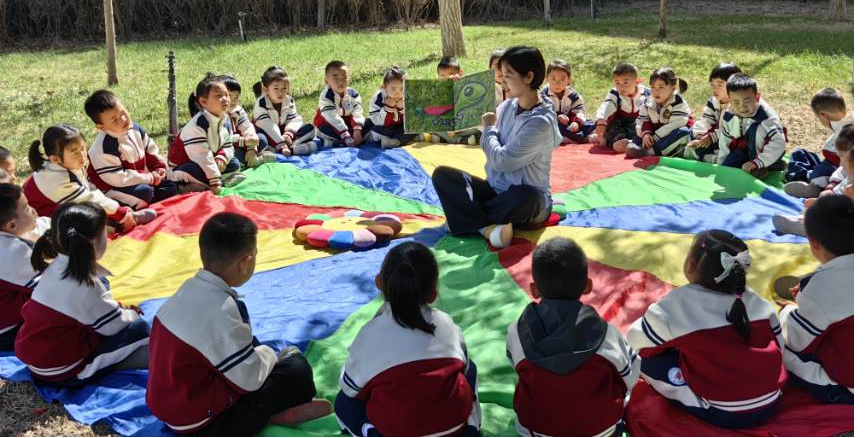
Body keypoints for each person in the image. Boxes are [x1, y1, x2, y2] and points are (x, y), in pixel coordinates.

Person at [147, 212, 332, 435]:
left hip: (174, 409)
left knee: (255, 349)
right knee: (296, 370)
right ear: (245, 262)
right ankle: (270, 415)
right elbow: (249, 380)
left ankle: (266, 411)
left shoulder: (187, 291)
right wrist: (269, 354)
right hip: (204, 425)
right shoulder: (221, 309)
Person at [628, 230, 786, 428]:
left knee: (642, 361)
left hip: (723, 412)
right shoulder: (757, 301)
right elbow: (780, 347)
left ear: (690, 265)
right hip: (772, 400)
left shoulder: (676, 305)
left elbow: (636, 343)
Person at [335, 242, 481, 437]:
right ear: (433, 293)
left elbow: (350, 388)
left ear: (379, 282)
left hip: (397, 430)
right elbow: (465, 368)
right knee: (470, 368)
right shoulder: (447, 324)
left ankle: (371, 432)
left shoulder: (369, 335)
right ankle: (471, 425)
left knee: (344, 402)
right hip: (454, 429)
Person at [506, 237, 639, 437]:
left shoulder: (516, 331)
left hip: (536, 429)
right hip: (599, 430)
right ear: (588, 286)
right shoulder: (606, 334)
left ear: (534, 290)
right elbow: (630, 375)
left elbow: (515, 365)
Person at [432, 46, 561, 249]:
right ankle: (485, 228)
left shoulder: (541, 122)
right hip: (496, 191)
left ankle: (464, 218)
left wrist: (490, 129)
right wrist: (456, 91)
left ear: (528, 77)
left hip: (527, 202)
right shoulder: (509, 105)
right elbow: (473, 120)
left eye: (508, 75)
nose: (502, 81)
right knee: (443, 176)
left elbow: (502, 161)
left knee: (526, 197)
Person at [15, 203, 150, 385]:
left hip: (38, 356)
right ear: (93, 242)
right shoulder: (86, 284)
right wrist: (132, 313)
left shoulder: (55, 267)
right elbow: (113, 326)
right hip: (62, 370)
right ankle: (97, 367)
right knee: (140, 330)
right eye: (105, 233)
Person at [777, 195, 853, 404]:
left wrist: (788, 311)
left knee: (778, 346)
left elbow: (796, 341)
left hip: (847, 385)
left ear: (814, 243)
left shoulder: (823, 286)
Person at [23, 124, 156, 232]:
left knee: (100, 207)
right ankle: (119, 224)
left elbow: (88, 188)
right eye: (74, 152)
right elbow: (88, 199)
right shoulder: (57, 180)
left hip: (61, 207)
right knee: (86, 221)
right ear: (55, 159)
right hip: (40, 222)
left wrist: (115, 208)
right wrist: (121, 213)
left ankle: (118, 221)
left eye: (82, 148)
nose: (82, 154)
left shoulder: (70, 164)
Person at [84, 90, 178, 210]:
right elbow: (119, 179)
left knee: (170, 186)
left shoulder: (136, 129)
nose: (123, 119)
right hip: (112, 188)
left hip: (140, 179)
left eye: (123, 113)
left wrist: (158, 168)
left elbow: (150, 150)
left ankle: (149, 202)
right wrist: (149, 178)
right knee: (145, 192)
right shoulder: (103, 148)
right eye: (115, 120)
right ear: (101, 127)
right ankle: (127, 209)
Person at [169, 75, 241, 194]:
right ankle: (182, 186)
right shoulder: (197, 125)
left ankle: (205, 185)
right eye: (219, 96)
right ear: (203, 102)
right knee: (193, 170)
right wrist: (215, 180)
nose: (225, 99)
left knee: (234, 164)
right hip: (187, 166)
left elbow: (228, 145)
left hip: (210, 163)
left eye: (226, 95)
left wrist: (221, 158)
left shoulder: (225, 120)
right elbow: (202, 156)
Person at [784, 88, 854, 198]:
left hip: (834, 169)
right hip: (837, 168)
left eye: (818, 118)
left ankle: (809, 185)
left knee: (804, 164)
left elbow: (841, 164)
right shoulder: (849, 120)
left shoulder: (844, 133)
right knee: (801, 153)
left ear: (823, 115)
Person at [717, 74, 787, 179]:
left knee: (756, 129)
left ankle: (771, 164)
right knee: (726, 169)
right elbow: (725, 139)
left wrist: (757, 162)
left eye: (747, 101)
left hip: (766, 151)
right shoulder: (729, 114)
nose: (742, 107)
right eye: (736, 102)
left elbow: (779, 142)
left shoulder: (767, 117)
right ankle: (750, 163)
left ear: (757, 97)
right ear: (730, 100)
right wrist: (721, 163)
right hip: (745, 148)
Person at [0, 183, 40, 350]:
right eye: (27, 207)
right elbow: (54, 284)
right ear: (11, 225)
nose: (33, 210)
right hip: (8, 331)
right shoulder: (11, 250)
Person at [252, 66, 319, 157]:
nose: (280, 92)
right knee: (261, 140)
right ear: (266, 89)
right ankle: (286, 149)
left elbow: (293, 119)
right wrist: (281, 144)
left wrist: (289, 134)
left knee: (310, 129)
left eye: (284, 88)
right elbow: (269, 127)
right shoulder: (261, 104)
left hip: (283, 132)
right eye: (276, 88)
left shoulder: (289, 100)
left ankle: (290, 149)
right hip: (267, 133)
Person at [626, 67, 692, 158]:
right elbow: (642, 119)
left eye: (661, 87)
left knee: (683, 132)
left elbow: (674, 126)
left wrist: (654, 138)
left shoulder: (679, 103)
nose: (656, 91)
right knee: (639, 135)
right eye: (653, 87)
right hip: (654, 134)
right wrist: (646, 134)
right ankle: (637, 145)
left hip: (671, 136)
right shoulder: (648, 102)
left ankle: (650, 152)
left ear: (673, 88)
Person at [684, 62, 742, 163]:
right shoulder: (713, 102)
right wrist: (700, 137)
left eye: (719, 85)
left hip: (733, 140)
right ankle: (708, 157)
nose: (714, 89)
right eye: (712, 84)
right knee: (690, 147)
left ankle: (713, 159)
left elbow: (733, 130)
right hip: (715, 139)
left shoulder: (738, 105)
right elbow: (706, 121)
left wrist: (712, 137)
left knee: (731, 158)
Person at [589, 63, 652, 153]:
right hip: (619, 124)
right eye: (617, 82)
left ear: (637, 81)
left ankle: (632, 141)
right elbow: (606, 107)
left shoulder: (647, 94)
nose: (621, 86)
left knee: (643, 126)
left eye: (625, 82)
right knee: (613, 125)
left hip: (636, 123)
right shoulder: (615, 94)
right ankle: (614, 141)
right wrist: (601, 121)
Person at [541, 59, 596, 145]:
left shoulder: (573, 95)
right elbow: (542, 112)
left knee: (591, 123)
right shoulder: (543, 95)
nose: (558, 83)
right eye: (553, 79)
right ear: (547, 79)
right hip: (553, 123)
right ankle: (581, 138)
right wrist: (557, 117)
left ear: (569, 80)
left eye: (562, 79)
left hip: (569, 123)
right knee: (552, 127)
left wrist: (576, 123)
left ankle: (575, 137)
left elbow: (579, 111)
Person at [314, 61, 366, 147]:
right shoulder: (326, 97)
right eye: (335, 78)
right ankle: (335, 142)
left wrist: (357, 129)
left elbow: (357, 112)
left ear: (349, 79)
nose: (341, 82)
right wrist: (346, 135)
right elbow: (332, 118)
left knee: (368, 123)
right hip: (330, 125)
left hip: (348, 125)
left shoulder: (353, 94)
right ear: (326, 81)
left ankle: (353, 138)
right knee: (324, 130)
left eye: (344, 77)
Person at [364, 67, 414, 149]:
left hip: (399, 125)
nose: (397, 93)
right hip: (383, 126)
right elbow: (377, 121)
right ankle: (386, 139)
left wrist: (401, 109)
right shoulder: (378, 98)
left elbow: (409, 119)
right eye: (393, 89)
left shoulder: (406, 96)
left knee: (411, 127)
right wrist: (388, 108)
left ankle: (394, 141)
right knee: (376, 127)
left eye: (402, 89)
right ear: (384, 87)